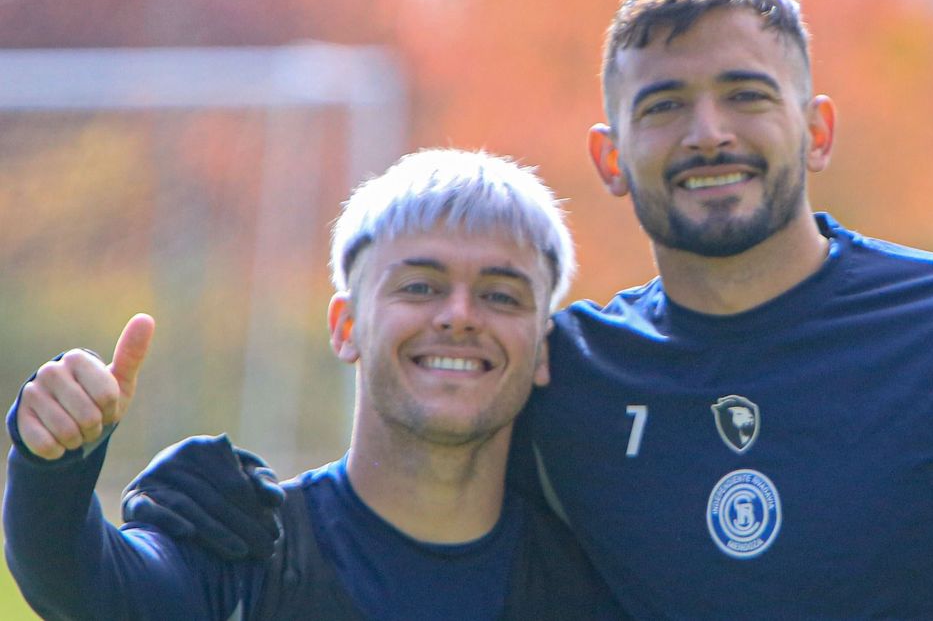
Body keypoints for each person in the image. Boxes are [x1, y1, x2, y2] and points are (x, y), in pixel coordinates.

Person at [120, 0, 933, 619]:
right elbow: (421, 467)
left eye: (746, 95)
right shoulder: (568, 374)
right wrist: (246, 508)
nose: (708, 133)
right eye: (665, 105)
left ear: (816, 127)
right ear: (610, 155)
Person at [3, 149, 623, 620]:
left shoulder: (608, 578)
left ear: (543, 350)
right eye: (420, 286)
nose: (459, 316)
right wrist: (55, 466)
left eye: (500, 295)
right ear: (346, 327)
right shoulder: (243, 549)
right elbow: (84, 584)